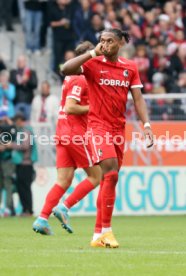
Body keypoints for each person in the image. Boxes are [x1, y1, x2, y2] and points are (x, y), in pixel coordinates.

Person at [61, 28, 154, 248]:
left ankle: (96, 236)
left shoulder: (129, 67)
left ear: (120, 43)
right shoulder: (93, 64)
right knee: (110, 170)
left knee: (109, 179)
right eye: (102, 40)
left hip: (118, 129)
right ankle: (107, 231)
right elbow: (65, 69)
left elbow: (138, 100)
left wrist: (147, 125)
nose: (105, 44)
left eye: (110, 40)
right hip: (97, 127)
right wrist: (92, 53)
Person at [32, 41, 102, 235]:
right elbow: (71, 107)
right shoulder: (80, 79)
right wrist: (95, 109)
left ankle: (42, 218)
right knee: (97, 175)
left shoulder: (70, 78)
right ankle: (65, 207)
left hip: (63, 133)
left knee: (63, 180)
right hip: (76, 134)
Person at [6, 113, 38, 216]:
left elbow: (25, 146)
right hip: (20, 164)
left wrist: (11, 145)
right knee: (21, 188)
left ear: (21, 121)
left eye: (18, 120)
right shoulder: (21, 131)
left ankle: (28, 210)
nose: (17, 123)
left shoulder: (25, 131)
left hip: (26, 164)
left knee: (25, 188)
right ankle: (25, 209)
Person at [10, 55, 38, 120]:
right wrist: (21, 81)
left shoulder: (31, 72)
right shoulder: (13, 72)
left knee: (27, 123)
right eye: (19, 61)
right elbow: (11, 84)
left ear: (25, 62)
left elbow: (35, 84)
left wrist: (27, 80)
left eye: (22, 61)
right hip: (17, 101)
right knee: (16, 122)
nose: (20, 63)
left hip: (28, 101)